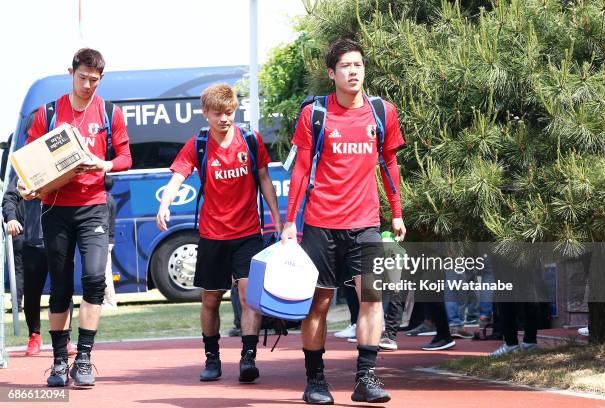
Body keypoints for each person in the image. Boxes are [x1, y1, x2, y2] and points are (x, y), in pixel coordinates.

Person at [282, 38, 406, 404]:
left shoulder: (382, 113)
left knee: (372, 299)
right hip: (321, 224)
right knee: (318, 303)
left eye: (358, 65)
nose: (354, 72)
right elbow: (302, 170)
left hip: (365, 222)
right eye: (346, 66)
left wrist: (396, 212)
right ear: (331, 73)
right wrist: (291, 222)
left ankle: (365, 379)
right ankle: (315, 380)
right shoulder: (314, 114)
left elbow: (389, 164)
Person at [19, 48, 131, 387]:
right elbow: (30, 163)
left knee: (96, 278)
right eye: (82, 78)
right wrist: (27, 188)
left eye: (93, 80)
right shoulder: (48, 113)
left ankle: (83, 358)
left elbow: (125, 156)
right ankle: (57, 362)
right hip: (55, 208)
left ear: (101, 79)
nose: (86, 85)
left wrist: (104, 163)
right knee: (61, 285)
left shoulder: (110, 113)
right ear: (71, 72)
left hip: (94, 205)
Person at [156, 83, 282, 383]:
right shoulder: (197, 145)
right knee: (210, 299)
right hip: (212, 235)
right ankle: (212, 358)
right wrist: (164, 203)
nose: (224, 119)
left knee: (248, 295)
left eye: (229, 113)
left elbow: (264, 178)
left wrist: (277, 217)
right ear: (205, 114)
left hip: (248, 232)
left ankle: (248, 358)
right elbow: (177, 177)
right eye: (217, 114)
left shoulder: (250, 140)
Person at [4, 178, 77, 356]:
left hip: (60, 242)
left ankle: (65, 337)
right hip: (33, 245)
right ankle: (34, 335)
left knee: (63, 291)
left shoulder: (63, 167)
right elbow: (9, 197)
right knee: (31, 293)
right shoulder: (28, 167)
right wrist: (11, 218)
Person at [2, 177, 24, 312]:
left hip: (52, 231)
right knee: (19, 269)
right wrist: (11, 218)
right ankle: (16, 304)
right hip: (21, 230)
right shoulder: (24, 171)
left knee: (60, 268)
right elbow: (9, 198)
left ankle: (60, 304)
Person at [102, 175, 118, 310]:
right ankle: (106, 300)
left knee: (105, 272)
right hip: (109, 239)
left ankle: (110, 302)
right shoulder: (111, 198)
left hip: (105, 239)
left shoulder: (105, 200)